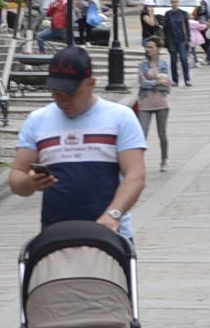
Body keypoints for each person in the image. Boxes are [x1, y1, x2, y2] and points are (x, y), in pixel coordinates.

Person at [8, 45, 147, 238]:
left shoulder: (120, 117)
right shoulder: (38, 120)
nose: (63, 101)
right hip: (56, 237)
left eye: (71, 93)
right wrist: (29, 182)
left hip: (109, 235)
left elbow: (135, 176)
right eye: (56, 93)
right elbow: (16, 177)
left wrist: (113, 214)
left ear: (91, 83)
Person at [134, 35, 174, 171]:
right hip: (145, 102)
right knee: (142, 133)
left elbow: (167, 83)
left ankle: (164, 159)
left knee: (162, 133)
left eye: (151, 47)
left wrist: (151, 82)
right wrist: (157, 82)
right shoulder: (142, 65)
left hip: (161, 102)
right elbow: (142, 83)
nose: (148, 49)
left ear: (158, 49)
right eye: (147, 47)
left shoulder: (164, 64)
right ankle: (138, 161)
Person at [160, 0, 192, 87]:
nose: (174, 3)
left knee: (184, 59)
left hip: (181, 39)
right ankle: (175, 80)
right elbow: (165, 28)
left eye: (176, 2)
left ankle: (187, 79)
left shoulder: (183, 13)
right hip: (172, 40)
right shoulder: (168, 14)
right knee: (173, 61)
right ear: (171, 3)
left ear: (178, 3)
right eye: (173, 2)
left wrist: (188, 38)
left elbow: (187, 27)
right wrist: (164, 39)